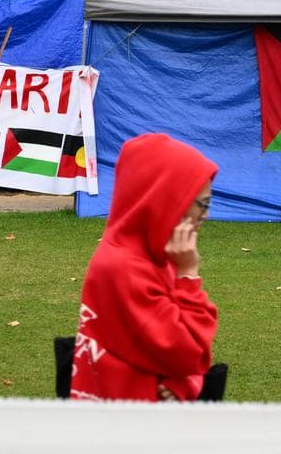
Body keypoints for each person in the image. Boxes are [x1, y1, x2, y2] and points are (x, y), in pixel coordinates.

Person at [69, 132, 219, 402]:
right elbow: (192, 353)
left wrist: (187, 383)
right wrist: (188, 276)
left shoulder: (151, 255)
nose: (205, 215)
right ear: (166, 198)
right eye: (202, 204)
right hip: (124, 433)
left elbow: (183, 355)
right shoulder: (124, 268)